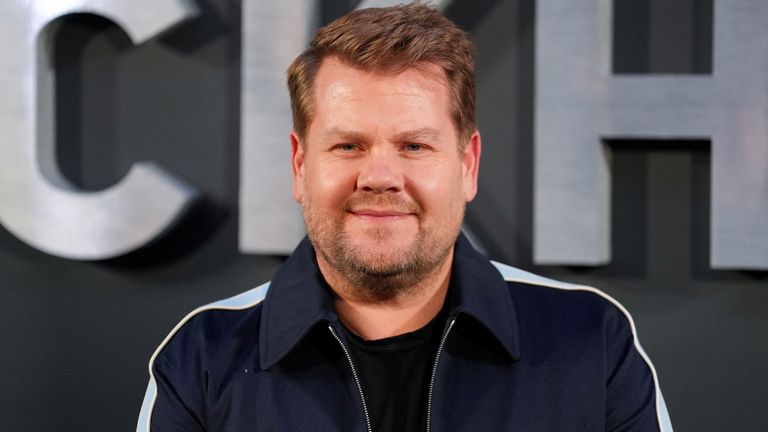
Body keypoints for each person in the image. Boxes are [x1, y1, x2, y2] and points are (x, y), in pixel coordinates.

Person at [137, 3, 673, 431]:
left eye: (414, 146)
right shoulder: (201, 357)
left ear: (467, 164)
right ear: (301, 165)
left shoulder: (592, 341)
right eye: (348, 145)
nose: (380, 176)